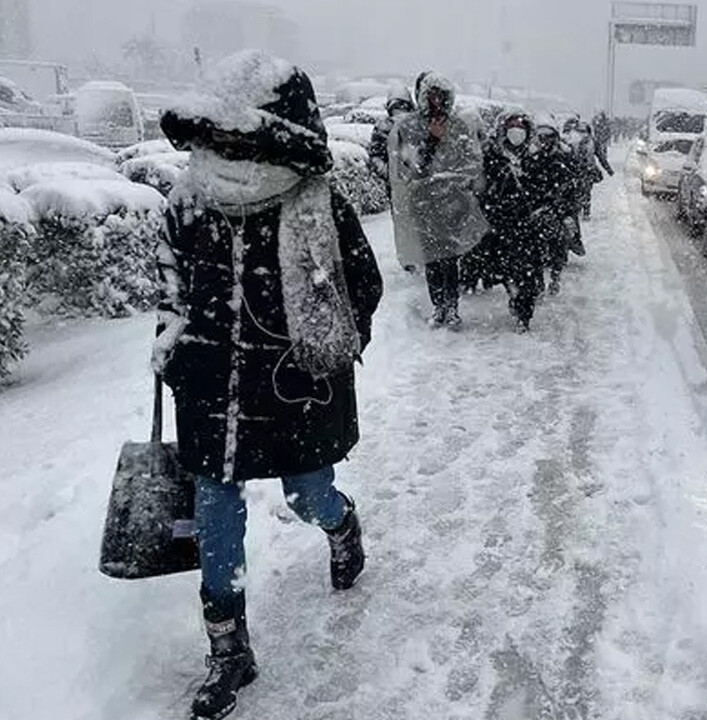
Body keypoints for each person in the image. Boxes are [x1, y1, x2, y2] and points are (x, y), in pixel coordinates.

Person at [155, 50, 383, 720]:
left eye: (242, 136)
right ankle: (228, 649)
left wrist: (324, 351)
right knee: (216, 513)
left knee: (307, 494)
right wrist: (173, 350)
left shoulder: (316, 205)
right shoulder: (189, 200)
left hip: (291, 389)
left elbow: (360, 289)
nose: (230, 149)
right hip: (209, 388)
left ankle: (341, 525)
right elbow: (169, 288)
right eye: (221, 136)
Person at [388, 72, 488, 327]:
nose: (436, 101)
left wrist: (459, 185)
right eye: (431, 95)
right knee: (431, 257)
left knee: (450, 257)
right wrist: (431, 141)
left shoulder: (459, 126)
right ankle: (438, 306)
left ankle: (451, 307)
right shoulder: (409, 127)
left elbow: (471, 162)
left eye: (441, 96)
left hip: (453, 203)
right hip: (423, 203)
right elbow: (410, 167)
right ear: (422, 97)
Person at [480, 110, 545, 332]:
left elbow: (542, 189)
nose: (516, 132)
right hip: (500, 224)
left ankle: (523, 313)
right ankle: (514, 296)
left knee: (527, 273)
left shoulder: (536, 157)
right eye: (511, 128)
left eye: (520, 128)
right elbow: (484, 188)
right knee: (505, 270)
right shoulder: (492, 156)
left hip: (527, 226)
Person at [527, 121, 577, 296]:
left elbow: (569, 188)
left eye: (548, 138)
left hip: (558, 211)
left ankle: (555, 277)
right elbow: (527, 186)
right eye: (541, 138)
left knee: (559, 247)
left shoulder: (563, 159)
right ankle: (539, 282)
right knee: (535, 250)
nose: (544, 142)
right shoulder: (531, 159)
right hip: (537, 210)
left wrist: (564, 211)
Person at [367, 88, 415, 181]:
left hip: (399, 182)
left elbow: (375, 156)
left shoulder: (383, 126)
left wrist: (388, 173)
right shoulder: (416, 125)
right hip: (412, 180)